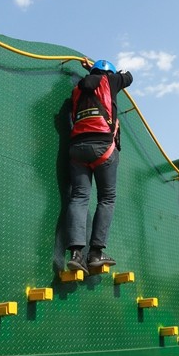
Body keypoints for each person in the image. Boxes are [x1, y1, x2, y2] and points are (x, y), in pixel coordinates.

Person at [65, 59, 133, 275]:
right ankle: (95, 253)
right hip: (103, 147)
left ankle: (76, 254)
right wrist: (119, 74)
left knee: (78, 198)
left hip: (77, 148)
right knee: (107, 198)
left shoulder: (77, 90)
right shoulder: (111, 80)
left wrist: (90, 71)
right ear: (109, 73)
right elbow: (129, 77)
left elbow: (91, 82)